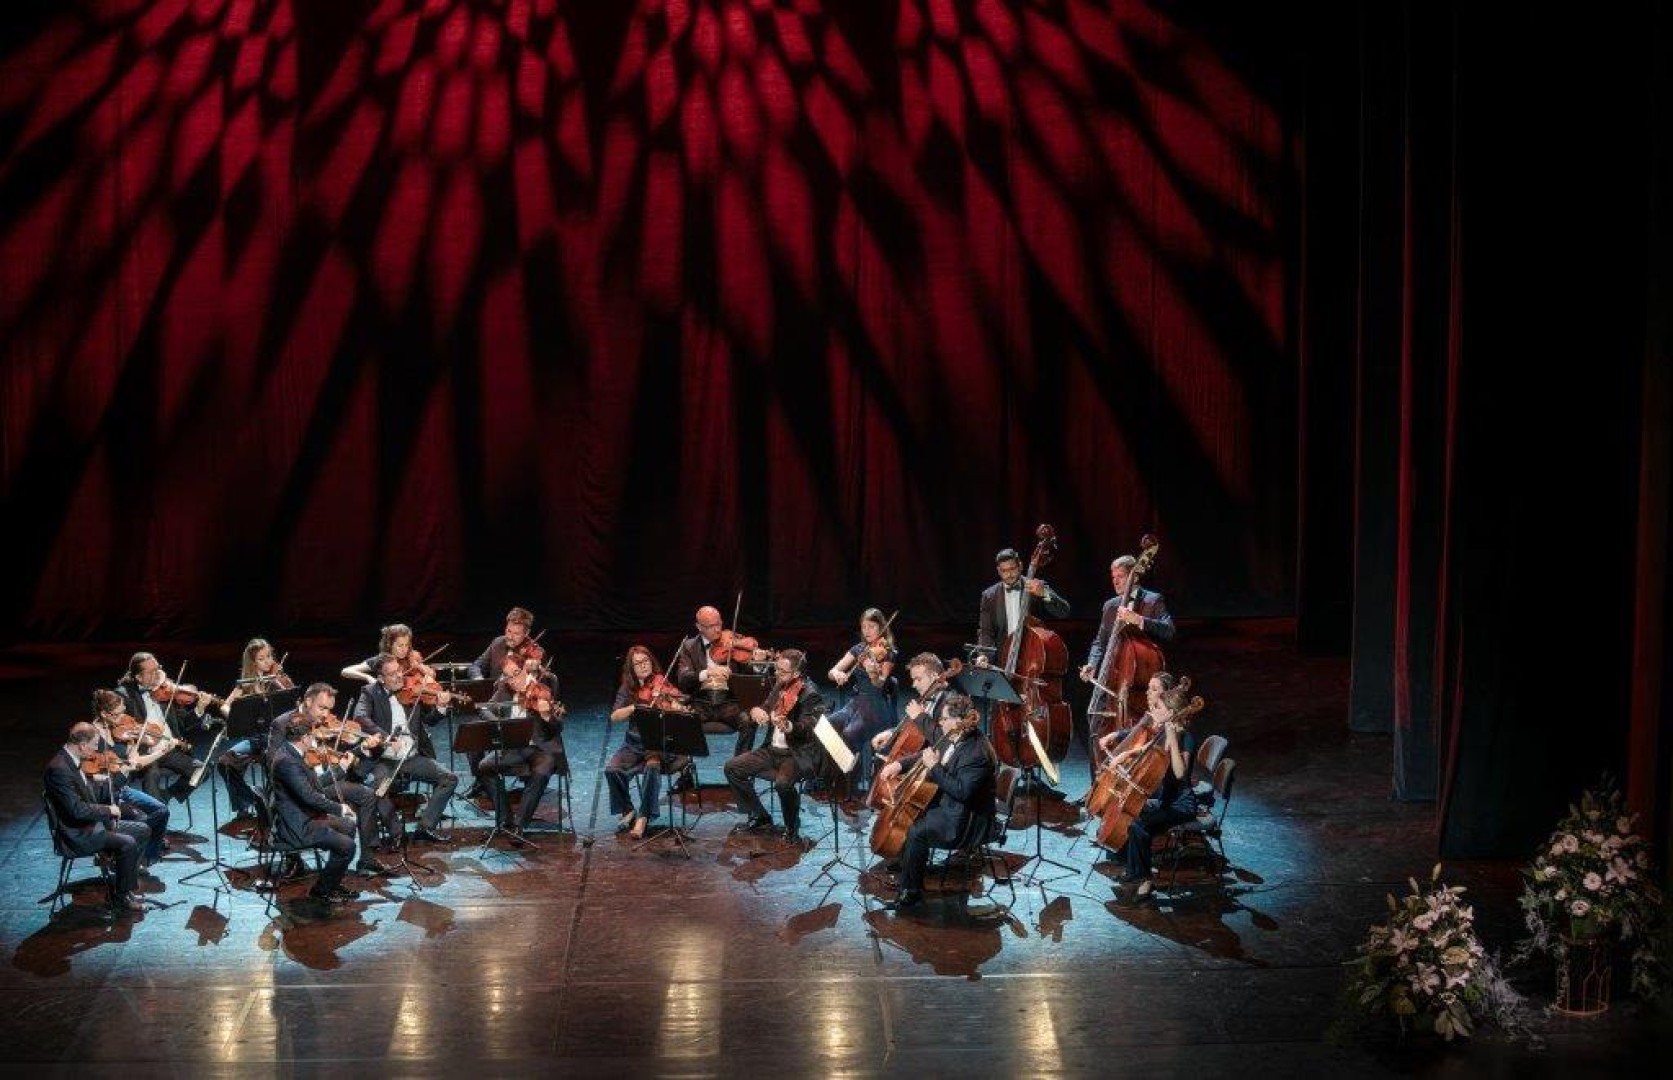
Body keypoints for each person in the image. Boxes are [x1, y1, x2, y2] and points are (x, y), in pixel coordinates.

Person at [877, 693, 997, 911]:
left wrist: (934, 767)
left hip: (965, 820)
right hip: (952, 806)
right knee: (911, 817)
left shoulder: (977, 752)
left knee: (915, 830)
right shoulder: (955, 735)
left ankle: (911, 892)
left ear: (958, 721)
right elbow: (929, 753)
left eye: (944, 719)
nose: (939, 723)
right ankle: (908, 876)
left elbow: (962, 792)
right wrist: (899, 765)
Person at [270, 682, 399, 877]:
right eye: (321, 708)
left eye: (329, 709)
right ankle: (298, 858)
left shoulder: (323, 725)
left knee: (368, 795)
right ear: (308, 701)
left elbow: (334, 759)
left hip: (323, 781)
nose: (325, 715)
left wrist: (362, 749)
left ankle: (366, 859)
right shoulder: (282, 723)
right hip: (297, 789)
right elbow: (275, 763)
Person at [1096, 673, 1196, 899]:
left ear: (1171, 713)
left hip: (1181, 805)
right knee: (1132, 815)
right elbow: (1147, 748)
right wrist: (1127, 754)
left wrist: (1172, 736)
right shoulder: (1163, 733)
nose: (1154, 711)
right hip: (1165, 800)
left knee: (1140, 825)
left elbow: (1180, 773)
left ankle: (1145, 879)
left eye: (1159, 708)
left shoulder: (1185, 738)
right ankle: (1133, 870)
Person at [352, 654, 459, 844]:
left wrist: (441, 707)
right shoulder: (370, 692)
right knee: (378, 789)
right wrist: (386, 737)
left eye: (399, 671)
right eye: (392, 674)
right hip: (384, 759)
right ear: (381, 678)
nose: (399, 676)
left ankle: (425, 828)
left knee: (449, 778)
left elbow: (429, 720)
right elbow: (360, 717)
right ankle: (397, 834)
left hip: (411, 757)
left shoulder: (412, 692)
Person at [46, 722, 153, 911]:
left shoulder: (72, 760)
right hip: (77, 834)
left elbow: (87, 793)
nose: (97, 750)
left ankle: (123, 881)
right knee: (128, 842)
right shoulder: (59, 769)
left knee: (143, 830)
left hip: (90, 825)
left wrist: (108, 781)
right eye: (94, 745)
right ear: (82, 745)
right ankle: (121, 897)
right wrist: (108, 810)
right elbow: (76, 810)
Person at [722, 649, 827, 842]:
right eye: (777, 669)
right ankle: (759, 815)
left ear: (796, 673)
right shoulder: (780, 685)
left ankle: (792, 826)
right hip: (771, 750)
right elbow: (766, 706)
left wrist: (790, 726)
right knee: (732, 767)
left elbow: (809, 726)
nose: (777, 674)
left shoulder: (810, 694)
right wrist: (758, 711)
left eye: (782, 671)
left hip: (795, 754)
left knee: (783, 784)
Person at [268, 716, 359, 908]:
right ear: (304, 738)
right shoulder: (287, 761)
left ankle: (332, 883)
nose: (315, 739)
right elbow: (309, 797)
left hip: (304, 816)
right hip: (298, 827)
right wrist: (340, 808)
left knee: (348, 826)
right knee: (348, 846)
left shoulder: (292, 753)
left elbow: (314, 786)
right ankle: (322, 890)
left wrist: (341, 768)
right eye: (312, 735)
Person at [1079, 555, 1176, 734]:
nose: (1115, 582)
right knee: (1096, 729)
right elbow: (1100, 642)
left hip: (1139, 684)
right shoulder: (1110, 606)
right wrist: (1092, 664)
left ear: (1135, 576)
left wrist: (1140, 620)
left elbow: (1169, 630)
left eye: (1120, 576)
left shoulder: (1153, 600)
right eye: (1113, 577)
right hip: (1110, 682)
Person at [475, 654, 567, 842]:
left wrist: (547, 716)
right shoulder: (504, 688)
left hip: (540, 748)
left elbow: (558, 727)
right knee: (484, 767)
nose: (513, 680)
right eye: (508, 676)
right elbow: (484, 710)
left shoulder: (543, 687)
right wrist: (500, 723)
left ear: (524, 669)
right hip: (514, 748)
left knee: (541, 771)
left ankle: (520, 826)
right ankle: (505, 819)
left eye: (516, 674)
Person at [115, 651, 225, 805]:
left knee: (201, 770)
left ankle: (166, 796)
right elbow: (121, 727)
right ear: (139, 677)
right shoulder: (125, 696)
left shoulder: (166, 692)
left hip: (168, 748)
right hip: (145, 753)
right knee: (152, 775)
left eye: (158, 669)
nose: (158, 675)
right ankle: (155, 811)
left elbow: (184, 724)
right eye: (151, 672)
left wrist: (199, 708)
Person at [605, 645, 689, 839]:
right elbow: (614, 716)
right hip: (634, 743)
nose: (643, 665)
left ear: (652, 662)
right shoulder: (628, 689)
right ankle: (627, 809)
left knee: (652, 767)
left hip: (658, 743)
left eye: (646, 661)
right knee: (612, 770)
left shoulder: (661, 682)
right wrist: (634, 707)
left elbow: (680, 703)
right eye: (638, 663)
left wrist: (677, 706)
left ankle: (643, 817)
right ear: (632, 669)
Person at [88, 689, 171, 868]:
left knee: (161, 811)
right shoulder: (92, 736)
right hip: (104, 794)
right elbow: (88, 772)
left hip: (122, 789)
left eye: (123, 712)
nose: (122, 718)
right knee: (139, 821)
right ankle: (115, 854)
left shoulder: (123, 731)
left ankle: (147, 857)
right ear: (104, 714)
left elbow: (136, 762)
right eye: (117, 714)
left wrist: (161, 752)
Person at [217, 637, 296, 818]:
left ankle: (278, 809)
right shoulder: (246, 683)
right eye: (261, 658)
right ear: (253, 662)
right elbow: (225, 706)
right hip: (256, 740)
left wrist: (279, 683)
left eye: (269, 656)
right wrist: (236, 718)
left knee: (274, 764)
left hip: (278, 740)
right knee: (225, 763)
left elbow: (295, 706)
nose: (268, 661)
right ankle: (249, 801)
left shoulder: (279, 679)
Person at [671, 605, 764, 757]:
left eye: (719, 624)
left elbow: (748, 673)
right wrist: (707, 673)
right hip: (700, 702)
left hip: (729, 703)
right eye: (711, 626)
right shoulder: (689, 646)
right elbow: (683, 678)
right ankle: (683, 766)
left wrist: (757, 664)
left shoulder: (732, 641)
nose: (717, 630)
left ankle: (739, 763)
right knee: (676, 720)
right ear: (699, 627)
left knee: (748, 720)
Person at [975, 547, 1070, 667]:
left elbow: (1064, 611)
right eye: (1004, 571)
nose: (1009, 574)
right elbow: (986, 631)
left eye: (1012, 569)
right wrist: (984, 654)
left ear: (1020, 566)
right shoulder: (989, 596)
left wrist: (1044, 593)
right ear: (998, 570)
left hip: (1034, 657)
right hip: (1004, 660)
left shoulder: (1036, 586)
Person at [826, 608, 899, 761]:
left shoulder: (888, 652)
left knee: (849, 734)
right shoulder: (859, 649)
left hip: (875, 706)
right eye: (864, 627)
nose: (867, 631)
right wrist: (837, 674)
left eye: (871, 626)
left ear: (881, 627)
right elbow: (832, 671)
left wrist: (872, 673)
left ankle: (854, 771)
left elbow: (880, 683)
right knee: (829, 724)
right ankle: (839, 770)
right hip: (857, 701)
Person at [870, 653, 950, 759]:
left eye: (918, 679)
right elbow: (912, 728)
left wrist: (920, 716)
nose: (914, 685)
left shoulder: (949, 704)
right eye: (913, 680)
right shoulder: (925, 701)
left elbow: (946, 742)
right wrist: (892, 733)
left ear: (934, 676)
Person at [467, 606, 542, 680]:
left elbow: (539, 680)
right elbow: (476, 666)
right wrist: (478, 678)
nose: (510, 637)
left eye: (516, 634)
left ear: (527, 633)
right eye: (509, 631)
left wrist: (533, 672)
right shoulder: (497, 642)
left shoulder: (535, 652)